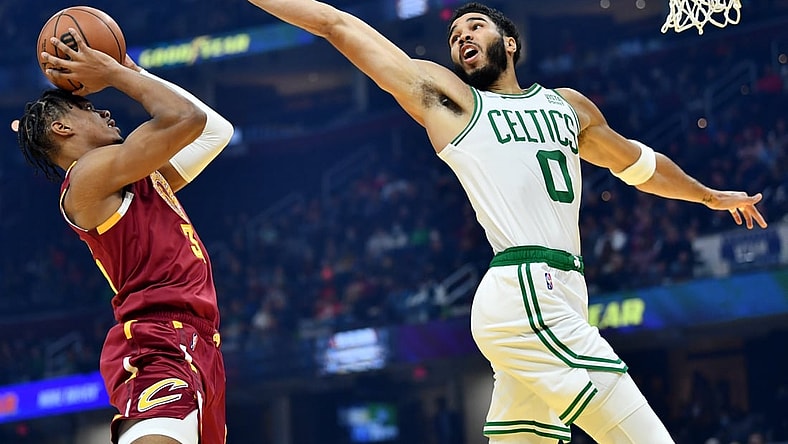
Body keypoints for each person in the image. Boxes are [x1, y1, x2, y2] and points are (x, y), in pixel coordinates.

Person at [246, 1, 768, 443]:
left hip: (562, 293)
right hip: (525, 289)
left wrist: (708, 195)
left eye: (474, 26)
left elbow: (639, 164)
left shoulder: (567, 106)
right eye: (454, 36)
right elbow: (337, 24)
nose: (461, 37)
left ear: (510, 43)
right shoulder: (454, 104)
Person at [16, 29, 233, 444]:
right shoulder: (87, 177)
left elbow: (214, 131)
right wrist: (114, 72)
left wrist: (132, 68)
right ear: (61, 128)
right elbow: (186, 119)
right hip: (158, 338)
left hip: (198, 342)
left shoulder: (137, 176)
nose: (105, 111)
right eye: (89, 109)